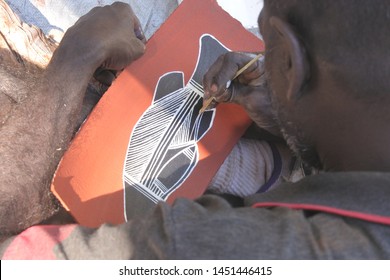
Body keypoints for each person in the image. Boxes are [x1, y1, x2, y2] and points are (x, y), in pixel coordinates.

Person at [1, 0, 390, 259]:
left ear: (292, 63)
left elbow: (12, 256)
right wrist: (300, 121)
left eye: (266, 49)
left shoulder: (194, 247)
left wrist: (75, 56)